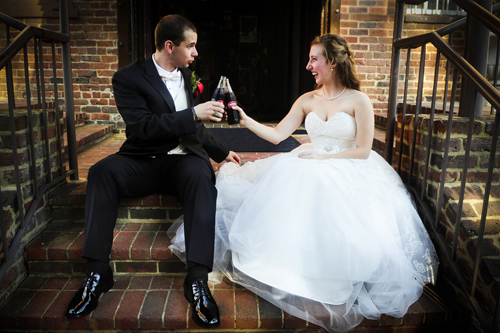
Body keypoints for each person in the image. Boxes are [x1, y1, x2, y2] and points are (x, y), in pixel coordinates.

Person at [168, 33, 439, 332]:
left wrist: (325, 160)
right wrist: (245, 120)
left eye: (314, 59)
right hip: (308, 160)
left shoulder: (358, 100)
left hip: (348, 166)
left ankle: (327, 273)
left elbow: (363, 150)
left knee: (323, 188)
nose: (309, 65)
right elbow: (278, 135)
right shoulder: (307, 99)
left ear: (332, 62)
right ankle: (286, 269)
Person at [65, 14, 240, 329]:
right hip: (143, 159)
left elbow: (194, 129)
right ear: (170, 46)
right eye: (192, 46)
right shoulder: (127, 78)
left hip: (183, 160)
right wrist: (192, 113)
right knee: (102, 171)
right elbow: (142, 128)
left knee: (201, 176)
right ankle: (97, 272)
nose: (196, 53)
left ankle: (197, 280)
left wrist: (222, 152)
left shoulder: (186, 76)